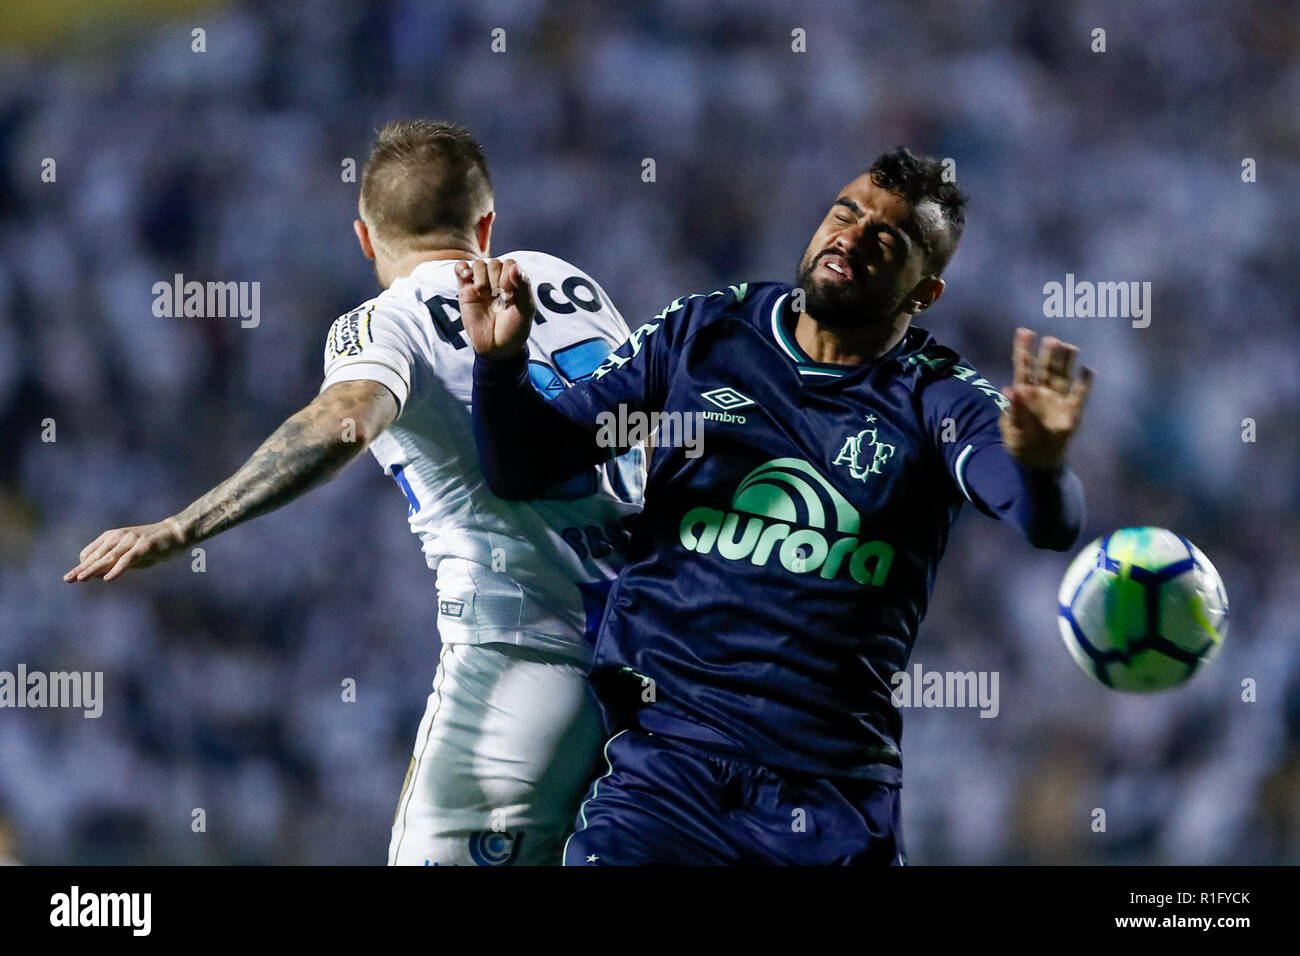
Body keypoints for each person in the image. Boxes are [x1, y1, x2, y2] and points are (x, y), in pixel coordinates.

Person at [459, 147, 1093, 865]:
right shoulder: (705, 340)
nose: (850, 237)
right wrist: (500, 366)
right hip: (666, 776)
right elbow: (530, 465)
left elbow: (1048, 522)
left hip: (829, 804)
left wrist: (1041, 466)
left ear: (925, 294)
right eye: (844, 212)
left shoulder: (933, 401)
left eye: (887, 238)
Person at [65, 120, 643, 866]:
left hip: (524, 666)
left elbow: (341, 423)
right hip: (656, 654)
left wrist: (181, 527)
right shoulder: (567, 281)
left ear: (365, 240)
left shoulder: (386, 320)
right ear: (486, 226)